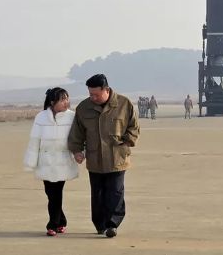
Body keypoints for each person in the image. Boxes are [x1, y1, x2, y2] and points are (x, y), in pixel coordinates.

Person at [68, 74, 140, 238]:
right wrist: (77, 151)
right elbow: (77, 132)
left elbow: (134, 127)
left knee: (115, 192)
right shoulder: (83, 108)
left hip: (117, 157)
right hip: (95, 158)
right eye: (90, 94)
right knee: (98, 194)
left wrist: (127, 141)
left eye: (96, 94)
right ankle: (100, 225)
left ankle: (112, 224)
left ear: (106, 90)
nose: (93, 97)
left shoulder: (124, 104)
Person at [23, 87, 78, 237]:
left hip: (62, 161)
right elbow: (35, 140)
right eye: (62, 99)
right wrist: (31, 161)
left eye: (67, 98)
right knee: (50, 193)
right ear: (53, 102)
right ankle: (61, 221)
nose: (66, 102)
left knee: (56, 193)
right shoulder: (41, 117)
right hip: (45, 161)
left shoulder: (72, 117)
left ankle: (52, 224)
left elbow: (77, 138)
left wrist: (79, 153)